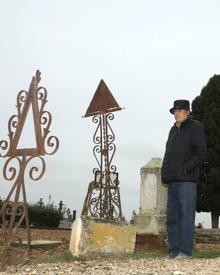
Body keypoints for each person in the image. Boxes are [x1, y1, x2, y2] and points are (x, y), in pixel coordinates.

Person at [161, 99, 207, 259]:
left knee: (186, 215)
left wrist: (186, 168)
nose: (177, 113)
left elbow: (201, 153)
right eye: (175, 111)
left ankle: (185, 251)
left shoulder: (195, 127)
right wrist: (164, 173)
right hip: (172, 180)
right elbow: (168, 154)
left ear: (188, 112)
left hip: (187, 180)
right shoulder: (173, 130)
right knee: (172, 216)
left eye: (180, 110)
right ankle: (173, 250)